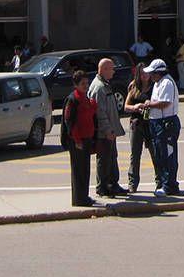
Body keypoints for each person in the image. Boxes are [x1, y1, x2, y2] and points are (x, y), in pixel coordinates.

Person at [139, 59, 181, 196]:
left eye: (152, 73)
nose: (150, 76)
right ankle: (164, 183)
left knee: (167, 155)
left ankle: (169, 186)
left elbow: (165, 103)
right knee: (160, 154)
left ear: (159, 72)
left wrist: (149, 104)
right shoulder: (158, 83)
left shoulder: (167, 83)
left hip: (166, 123)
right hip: (158, 123)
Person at [90, 58, 127, 197]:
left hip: (109, 131)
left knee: (111, 157)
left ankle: (112, 184)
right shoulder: (99, 87)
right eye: (111, 68)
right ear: (104, 69)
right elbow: (100, 112)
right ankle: (102, 187)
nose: (114, 71)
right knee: (104, 159)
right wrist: (108, 130)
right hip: (104, 133)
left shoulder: (105, 84)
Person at [62, 70, 97, 207]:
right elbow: (69, 121)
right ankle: (78, 199)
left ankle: (84, 196)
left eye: (87, 83)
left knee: (85, 169)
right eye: (83, 83)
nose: (86, 85)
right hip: (78, 140)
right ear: (76, 85)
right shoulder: (73, 99)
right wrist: (76, 140)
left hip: (87, 138)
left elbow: (91, 113)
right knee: (78, 170)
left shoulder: (85, 97)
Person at [120, 63, 156, 193]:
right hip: (136, 124)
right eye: (141, 73)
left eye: (146, 73)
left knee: (155, 153)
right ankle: (132, 184)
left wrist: (150, 105)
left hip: (151, 124)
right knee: (135, 155)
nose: (144, 75)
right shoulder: (134, 87)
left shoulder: (155, 87)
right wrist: (136, 107)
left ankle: (160, 182)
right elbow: (126, 106)